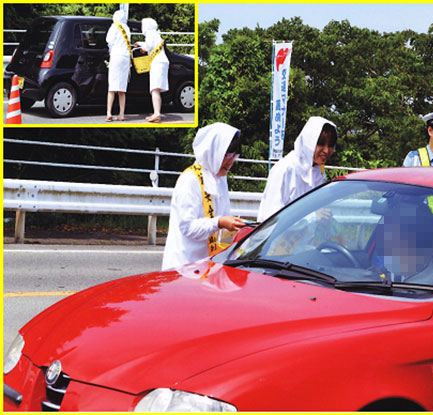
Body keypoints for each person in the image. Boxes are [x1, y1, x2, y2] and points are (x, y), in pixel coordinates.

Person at [162, 123, 246, 270]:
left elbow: (224, 217)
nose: (231, 161)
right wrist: (219, 222)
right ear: (213, 151)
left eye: (234, 156)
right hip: (183, 266)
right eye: (227, 155)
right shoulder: (190, 179)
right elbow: (187, 227)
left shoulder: (220, 178)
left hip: (207, 265)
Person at [257, 116, 338, 222]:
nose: (326, 151)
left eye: (331, 145)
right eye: (321, 144)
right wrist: (312, 217)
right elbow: (271, 216)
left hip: (305, 237)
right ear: (309, 141)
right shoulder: (285, 169)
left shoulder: (319, 171)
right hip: (280, 237)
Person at [135, 18, 169, 123]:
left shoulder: (150, 34)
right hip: (162, 62)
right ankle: (156, 112)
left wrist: (139, 44)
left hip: (157, 62)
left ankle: (157, 113)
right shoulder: (156, 34)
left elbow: (148, 46)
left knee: (154, 89)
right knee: (156, 90)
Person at [105, 10, 131, 122]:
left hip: (116, 56)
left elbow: (108, 40)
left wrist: (111, 50)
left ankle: (109, 113)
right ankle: (121, 114)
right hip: (125, 58)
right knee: (122, 88)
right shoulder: (127, 28)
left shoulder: (114, 26)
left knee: (112, 87)